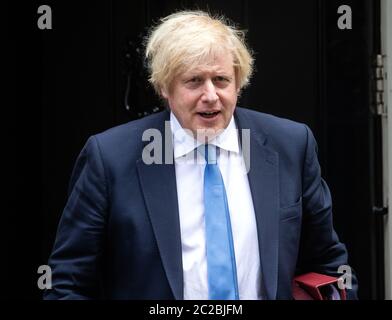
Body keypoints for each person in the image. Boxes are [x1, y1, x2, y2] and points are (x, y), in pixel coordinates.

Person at [44, 10, 358, 300]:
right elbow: (68, 283)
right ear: (165, 87)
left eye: (221, 80)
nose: (210, 96)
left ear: (238, 83)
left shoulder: (290, 144)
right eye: (194, 81)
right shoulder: (110, 158)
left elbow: (330, 264)